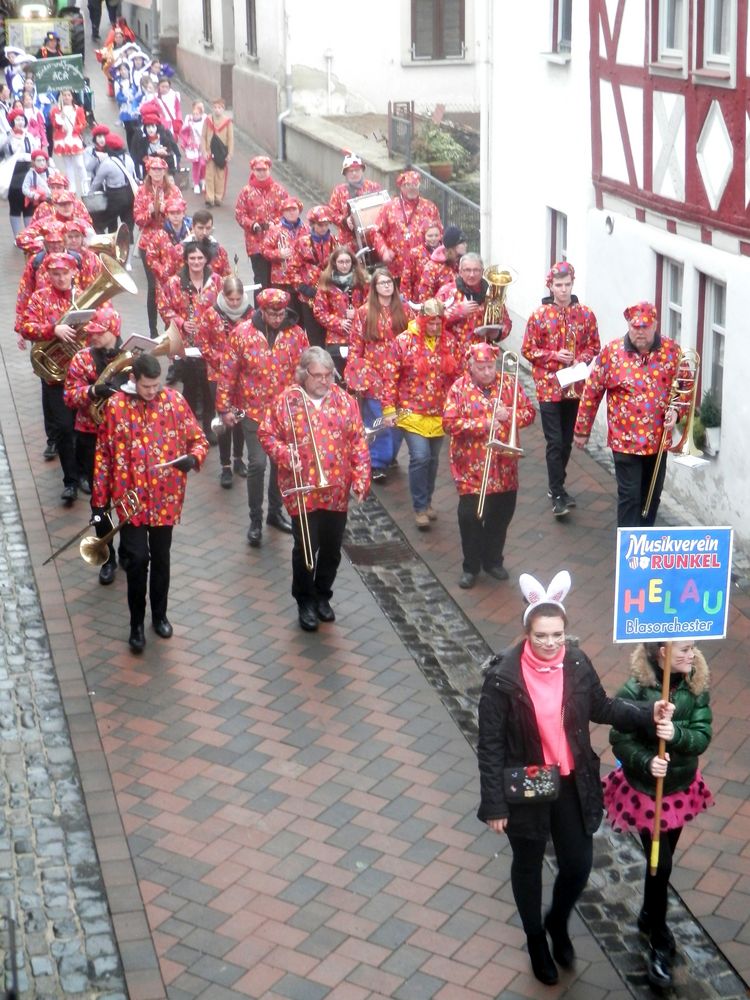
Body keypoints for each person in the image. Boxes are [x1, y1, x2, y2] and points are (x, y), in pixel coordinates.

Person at [476, 570, 674, 985]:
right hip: (528, 782)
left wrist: (646, 713)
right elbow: (491, 745)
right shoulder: (502, 680)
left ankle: (557, 922)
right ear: (526, 633)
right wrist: (494, 804)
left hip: (568, 781)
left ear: (566, 632)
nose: (551, 644)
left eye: (558, 635)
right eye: (542, 635)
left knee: (578, 865)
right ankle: (535, 941)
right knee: (528, 864)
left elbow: (601, 707)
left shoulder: (577, 663)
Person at [603, 640, 713, 989]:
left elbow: (702, 736)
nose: (691, 655)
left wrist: (676, 734)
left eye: (693, 648)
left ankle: (649, 913)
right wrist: (646, 761)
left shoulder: (695, 685)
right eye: (683, 650)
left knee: (661, 862)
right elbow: (620, 738)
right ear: (661, 653)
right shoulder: (635, 689)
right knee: (661, 864)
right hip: (648, 793)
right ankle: (660, 941)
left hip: (679, 789)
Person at [92, 353, 208, 652]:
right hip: (130, 501)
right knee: (138, 561)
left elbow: (199, 439)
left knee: (161, 558)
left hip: (165, 500)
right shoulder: (117, 407)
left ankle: (159, 615)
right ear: (133, 380)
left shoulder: (174, 401)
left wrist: (194, 458)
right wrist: (99, 502)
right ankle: (135, 624)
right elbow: (103, 454)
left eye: (156, 386)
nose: (153, 392)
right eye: (147, 387)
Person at [258, 347, 370, 632]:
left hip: (335, 489)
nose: (324, 381)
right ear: (303, 375)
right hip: (303, 489)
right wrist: (285, 454)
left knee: (332, 550)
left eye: (328, 375)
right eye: (317, 375)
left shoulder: (345, 401)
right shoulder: (287, 401)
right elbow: (267, 433)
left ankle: (323, 595)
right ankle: (304, 601)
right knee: (307, 548)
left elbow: (358, 441)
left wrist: (361, 478)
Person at [573, 302, 680, 527]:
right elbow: (592, 392)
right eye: (635, 327)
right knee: (630, 496)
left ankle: (645, 542)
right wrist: (582, 430)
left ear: (655, 325)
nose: (640, 332)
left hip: (658, 441)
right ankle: (629, 552)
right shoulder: (612, 353)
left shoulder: (672, 351)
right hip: (625, 440)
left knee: (651, 497)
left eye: (645, 327)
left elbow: (683, 390)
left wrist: (678, 413)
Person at [216, 287, 307, 546]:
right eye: (272, 313)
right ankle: (255, 517)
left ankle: (275, 512)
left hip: (285, 413)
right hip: (253, 411)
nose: (278, 318)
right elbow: (228, 372)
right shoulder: (242, 334)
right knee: (257, 463)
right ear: (261, 311)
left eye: (281, 314)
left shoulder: (297, 334)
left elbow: (304, 369)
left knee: (281, 463)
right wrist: (224, 408)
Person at [442, 342, 535, 589]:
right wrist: (483, 424)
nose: (486, 372)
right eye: (481, 368)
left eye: (490, 366)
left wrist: (510, 414)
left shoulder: (508, 384)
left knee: (501, 515)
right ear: (471, 367)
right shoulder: (458, 388)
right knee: (470, 517)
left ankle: (493, 560)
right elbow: (449, 424)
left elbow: (529, 413)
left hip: (504, 467)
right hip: (471, 468)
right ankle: (470, 566)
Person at [522, 261, 601, 518]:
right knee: (554, 441)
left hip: (575, 386)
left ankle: (558, 485)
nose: (563, 290)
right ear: (550, 286)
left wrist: (582, 358)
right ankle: (556, 492)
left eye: (567, 285)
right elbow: (528, 350)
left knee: (566, 442)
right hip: (549, 387)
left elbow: (595, 346)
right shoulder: (539, 315)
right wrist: (554, 355)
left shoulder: (586, 314)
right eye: (559, 285)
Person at [63, 303, 126, 583]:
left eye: (98, 333)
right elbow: (69, 397)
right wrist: (92, 390)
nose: (92, 338)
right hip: (91, 436)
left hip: (124, 439)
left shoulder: (131, 357)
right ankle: (107, 555)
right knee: (99, 504)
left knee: (127, 499)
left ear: (113, 331)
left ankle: (129, 548)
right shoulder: (81, 359)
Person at [382, 298, 458, 528]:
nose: (434, 327)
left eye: (438, 323)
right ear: (421, 319)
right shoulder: (403, 342)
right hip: (410, 411)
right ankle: (419, 507)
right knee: (420, 457)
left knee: (433, 461)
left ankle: (427, 501)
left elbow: (456, 378)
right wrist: (388, 410)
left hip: (438, 411)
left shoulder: (449, 342)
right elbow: (389, 376)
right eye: (430, 322)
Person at [18, 252, 82, 503]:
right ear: (48, 275)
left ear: (73, 273)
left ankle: (85, 474)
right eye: (55, 274)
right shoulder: (40, 297)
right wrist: (53, 329)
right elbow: (27, 326)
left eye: (65, 273)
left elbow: (108, 319)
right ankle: (70, 481)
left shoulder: (84, 295)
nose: (61, 278)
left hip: (82, 372)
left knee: (85, 429)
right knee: (65, 428)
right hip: (55, 376)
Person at [346, 266, 411, 482]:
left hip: (399, 375)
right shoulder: (364, 312)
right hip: (373, 375)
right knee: (378, 420)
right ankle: (376, 463)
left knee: (398, 420)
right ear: (374, 287)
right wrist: (357, 374)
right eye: (382, 283)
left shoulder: (404, 309)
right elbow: (356, 345)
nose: (386, 286)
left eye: (389, 282)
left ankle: (389, 455)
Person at [156, 238, 222, 441]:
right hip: (185, 344)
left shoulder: (217, 281)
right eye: (192, 258)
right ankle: (189, 428)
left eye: (199, 258)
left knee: (210, 390)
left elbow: (224, 305)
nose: (196, 262)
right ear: (186, 260)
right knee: (190, 388)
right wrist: (182, 322)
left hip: (210, 344)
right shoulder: (174, 282)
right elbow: (164, 308)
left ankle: (210, 428)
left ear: (206, 260)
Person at [196, 275, 251, 488]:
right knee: (225, 419)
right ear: (224, 296)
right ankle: (225, 465)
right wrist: (223, 360)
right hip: (217, 375)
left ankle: (238, 459)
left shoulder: (250, 313)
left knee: (239, 417)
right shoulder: (211, 314)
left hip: (242, 376)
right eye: (231, 300)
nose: (235, 303)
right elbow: (202, 342)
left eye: (238, 299)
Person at [133, 154, 180, 336]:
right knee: (153, 287)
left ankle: (172, 327)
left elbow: (179, 214)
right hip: (149, 243)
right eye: (154, 169)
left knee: (172, 285)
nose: (158, 173)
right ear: (149, 171)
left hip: (169, 243)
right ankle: (153, 331)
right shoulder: (141, 191)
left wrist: (164, 210)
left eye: (160, 169)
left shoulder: (173, 190)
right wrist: (149, 213)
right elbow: (137, 219)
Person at [311, 245, 369, 377]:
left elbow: (371, 306)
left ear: (352, 262)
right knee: (338, 376)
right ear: (334, 263)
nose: (344, 265)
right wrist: (339, 322)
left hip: (360, 335)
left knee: (359, 377)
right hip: (335, 338)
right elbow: (319, 311)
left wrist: (357, 312)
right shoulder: (326, 284)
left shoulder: (362, 282)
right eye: (341, 262)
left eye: (347, 262)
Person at [373, 169, 441, 282]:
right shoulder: (389, 207)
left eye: (415, 184)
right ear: (401, 186)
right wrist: (384, 250)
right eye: (408, 184)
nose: (412, 188)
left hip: (425, 269)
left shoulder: (430, 207)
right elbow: (376, 231)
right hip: (396, 268)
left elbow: (440, 233)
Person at [438, 252, 512, 355]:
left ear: (482, 271)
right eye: (467, 270)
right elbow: (431, 320)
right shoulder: (446, 291)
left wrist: (498, 333)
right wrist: (457, 311)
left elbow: (506, 322)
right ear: (460, 271)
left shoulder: (492, 295)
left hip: (483, 358)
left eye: (476, 270)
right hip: (453, 356)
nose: (472, 274)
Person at [234, 154, 289, 289]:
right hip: (255, 243)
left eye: (264, 170)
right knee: (260, 280)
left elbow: (287, 211)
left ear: (269, 170)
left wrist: (275, 224)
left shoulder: (279, 190)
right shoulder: (246, 192)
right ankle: (260, 309)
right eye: (258, 170)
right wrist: (252, 224)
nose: (261, 173)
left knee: (277, 279)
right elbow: (240, 214)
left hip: (276, 243)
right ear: (253, 171)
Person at [292, 205, 337, 347]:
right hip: (309, 295)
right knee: (313, 334)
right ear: (312, 224)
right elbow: (293, 268)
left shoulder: (335, 242)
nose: (323, 228)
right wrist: (301, 286)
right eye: (319, 225)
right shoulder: (302, 243)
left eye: (326, 224)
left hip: (329, 295)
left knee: (328, 333)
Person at [87, 133, 137, 250]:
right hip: (130, 195)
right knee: (128, 225)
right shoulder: (129, 159)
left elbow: (96, 182)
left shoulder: (107, 163)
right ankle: (127, 258)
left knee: (98, 221)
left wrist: (90, 194)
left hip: (115, 196)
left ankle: (107, 247)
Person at [327, 151, 382, 254]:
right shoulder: (339, 191)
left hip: (371, 237)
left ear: (362, 170)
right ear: (345, 174)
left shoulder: (373, 187)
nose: (354, 173)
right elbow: (332, 213)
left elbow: (383, 208)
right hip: (348, 240)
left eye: (357, 170)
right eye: (350, 171)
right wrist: (344, 220)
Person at [49, 90, 88, 194]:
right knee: (68, 165)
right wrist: (59, 121)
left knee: (80, 164)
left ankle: (86, 186)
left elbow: (83, 123)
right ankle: (72, 188)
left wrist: (74, 128)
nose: (66, 97)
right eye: (64, 95)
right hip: (62, 140)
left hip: (74, 138)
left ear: (72, 97)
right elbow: (55, 125)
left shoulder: (78, 109)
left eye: (68, 95)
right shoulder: (56, 110)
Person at [416, 224, 467, 302]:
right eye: (462, 243)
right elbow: (425, 299)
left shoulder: (462, 263)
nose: (466, 245)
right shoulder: (432, 268)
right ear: (453, 246)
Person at [200, 97, 233, 208]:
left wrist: (229, 154)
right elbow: (203, 136)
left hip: (222, 153)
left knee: (220, 176)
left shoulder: (227, 122)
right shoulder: (208, 120)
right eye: (215, 107)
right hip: (210, 152)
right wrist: (204, 151)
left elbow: (230, 139)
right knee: (209, 175)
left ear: (223, 109)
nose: (217, 110)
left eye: (219, 108)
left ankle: (218, 197)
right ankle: (210, 198)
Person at [399, 222, 442, 304]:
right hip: (419, 300)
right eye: (430, 236)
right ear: (424, 236)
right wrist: (406, 301)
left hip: (441, 298)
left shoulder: (446, 252)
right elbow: (406, 278)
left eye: (436, 235)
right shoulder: (415, 253)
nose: (433, 238)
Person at [179, 100, 207, 194]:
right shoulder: (189, 118)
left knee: (203, 164)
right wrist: (187, 142)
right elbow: (184, 131)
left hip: (203, 145)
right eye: (199, 106)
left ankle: (202, 179)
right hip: (193, 146)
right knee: (196, 164)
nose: (201, 108)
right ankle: (196, 183)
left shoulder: (205, 118)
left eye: (202, 107)